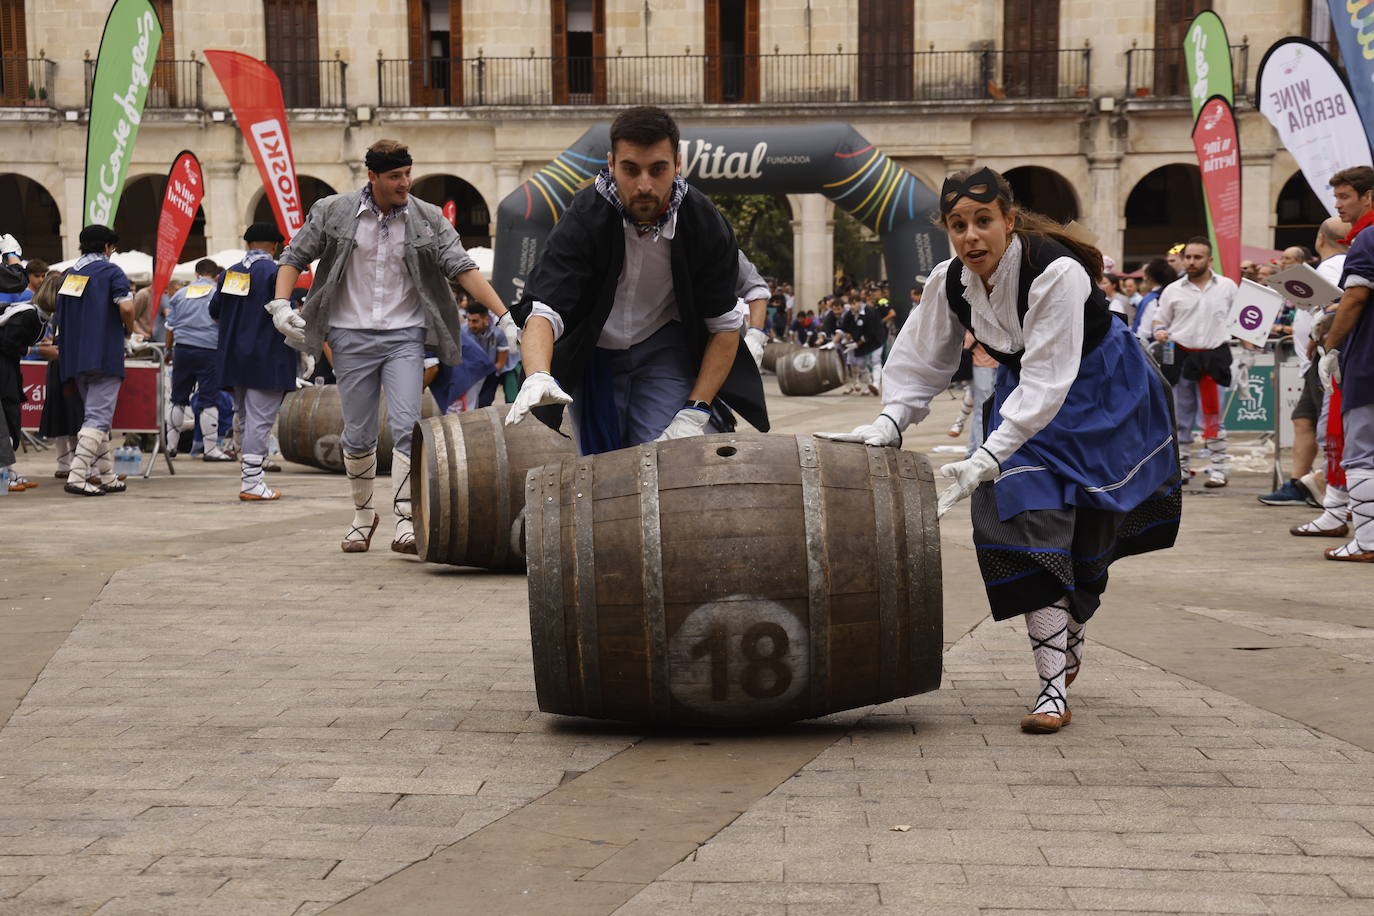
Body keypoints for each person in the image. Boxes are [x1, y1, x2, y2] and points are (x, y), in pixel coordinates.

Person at [819, 166, 1179, 733]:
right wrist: (891, 420)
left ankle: (1071, 628)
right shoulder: (949, 281)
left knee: (1091, 538)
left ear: (1009, 221)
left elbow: (1049, 379)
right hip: (1028, 401)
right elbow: (921, 358)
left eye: (983, 220)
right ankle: (1051, 689)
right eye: (958, 224)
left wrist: (988, 453)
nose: (970, 236)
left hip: (1104, 393)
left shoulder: (1055, 271)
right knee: (1024, 521)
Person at [273, 138, 514, 554]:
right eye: (395, 176)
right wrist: (280, 304)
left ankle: (405, 518)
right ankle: (363, 515)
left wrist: (504, 315)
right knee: (358, 434)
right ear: (372, 176)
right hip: (349, 335)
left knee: (406, 426)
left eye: (407, 174)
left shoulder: (428, 217)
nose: (405, 183)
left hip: (405, 336)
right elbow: (294, 255)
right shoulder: (333, 211)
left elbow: (462, 266)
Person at [506, 105, 767, 453]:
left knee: (666, 456)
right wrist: (538, 373)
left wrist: (695, 410)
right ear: (612, 164)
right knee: (601, 461)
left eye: (658, 169)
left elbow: (724, 326)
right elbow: (545, 306)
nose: (644, 185)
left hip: (664, 346)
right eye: (631, 169)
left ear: (677, 164)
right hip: (594, 349)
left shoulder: (704, 223)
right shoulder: (584, 215)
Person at [1262, 219, 1349, 508]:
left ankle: (1329, 486)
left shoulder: (1331, 267)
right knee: (1304, 420)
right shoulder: (1329, 267)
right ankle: (1300, 483)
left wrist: (1320, 336)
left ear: (1320, 239)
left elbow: (1338, 308)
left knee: (1329, 428)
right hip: (1314, 360)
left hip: (1326, 357)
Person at [210, 224, 300, 501]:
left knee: (246, 417)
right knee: (260, 421)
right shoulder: (276, 272)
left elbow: (214, 312)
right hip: (267, 354)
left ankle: (251, 477)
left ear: (248, 244)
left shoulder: (230, 273)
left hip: (234, 355)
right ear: (275, 246)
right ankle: (251, 482)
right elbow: (287, 315)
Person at [1316, 165, 1374, 560]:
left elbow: (1356, 297)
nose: (1338, 205)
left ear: (1368, 197)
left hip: (1368, 362)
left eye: (1344, 197)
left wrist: (1331, 345)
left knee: (1363, 455)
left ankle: (1368, 542)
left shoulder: (1368, 237)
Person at [54, 225, 137, 496]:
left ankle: (107, 475)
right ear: (107, 247)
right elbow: (127, 306)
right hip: (104, 352)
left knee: (95, 415)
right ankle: (78, 476)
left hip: (74, 355)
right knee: (98, 417)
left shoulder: (69, 276)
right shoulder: (111, 272)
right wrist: (129, 330)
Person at [1152, 236, 1237, 488]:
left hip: (1214, 356)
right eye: (1187, 257)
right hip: (1181, 356)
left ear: (1209, 260)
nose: (1191, 261)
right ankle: (1182, 467)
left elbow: (1244, 318)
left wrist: (1254, 335)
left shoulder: (1227, 287)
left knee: (1213, 416)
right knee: (1180, 416)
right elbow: (1159, 318)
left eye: (1197, 257)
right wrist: (1159, 330)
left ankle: (1219, 469)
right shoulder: (1173, 289)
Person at [164, 258, 233, 461]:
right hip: (209, 350)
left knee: (177, 399)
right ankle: (210, 450)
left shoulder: (180, 294)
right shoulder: (217, 293)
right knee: (209, 399)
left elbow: (170, 327)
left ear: (196, 274)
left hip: (182, 350)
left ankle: (171, 446)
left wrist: (168, 350)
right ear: (216, 276)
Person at [459, 302, 509, 410]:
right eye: (468, 320)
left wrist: (488, 372)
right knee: (468, 406)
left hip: (491, 372)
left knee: (484, 404)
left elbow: (501, 361)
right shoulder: (463, 331)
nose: (470, 325)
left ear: (486, 319)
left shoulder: (498, 333)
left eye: (475, 321)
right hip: (470, 373)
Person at [838, 289, 887, 395]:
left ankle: (876, 384)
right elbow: (843, 328)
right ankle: (869, 385)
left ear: (859, 302)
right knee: (860, 364)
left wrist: (856, 344)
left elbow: (869, 333)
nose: (852, 306)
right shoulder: (850, 314)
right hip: (862, 342)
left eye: (854, 304)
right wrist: (847, 336)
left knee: (875, 360)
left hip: (876, 339)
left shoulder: (870, 312)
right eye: (850, 304)